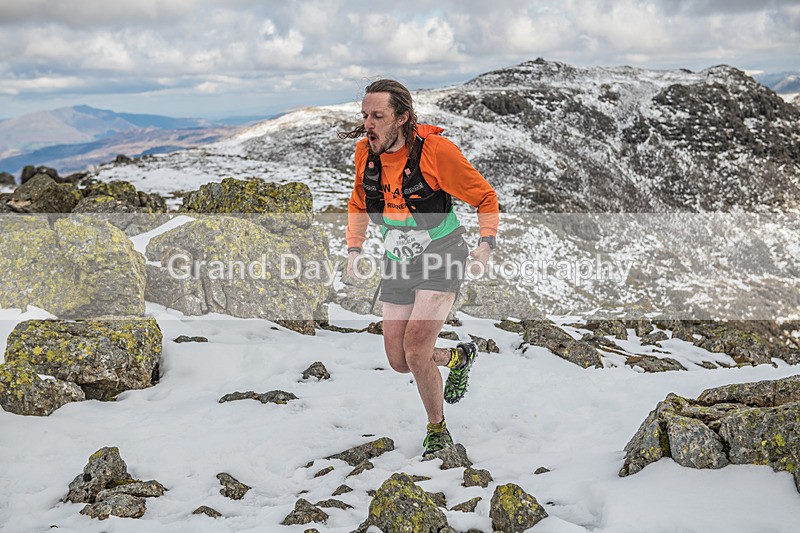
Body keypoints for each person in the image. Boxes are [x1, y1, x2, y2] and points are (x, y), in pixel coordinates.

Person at [339, 79, 499, 456]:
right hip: (397, 258)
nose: (368, 124)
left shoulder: (436, 152)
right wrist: (354, 249)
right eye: (364, 116)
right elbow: (359, 202)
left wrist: (486, 243)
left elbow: (485, 196)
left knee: (415, 348)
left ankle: (437, 430)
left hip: (441, 252)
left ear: (403, 118)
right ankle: (456, 358)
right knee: (398, 361)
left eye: (378, 116)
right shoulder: (366, 152)